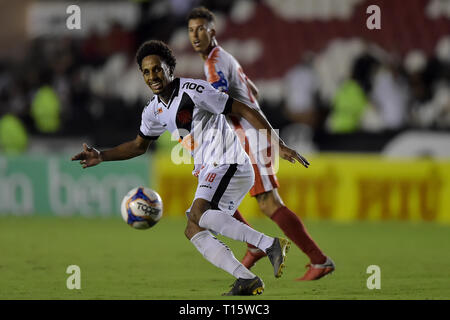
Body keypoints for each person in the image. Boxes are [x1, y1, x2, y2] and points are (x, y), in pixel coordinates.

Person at [72, 40, 309, 295]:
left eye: (158, 69)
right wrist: (101, 155)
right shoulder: (153, 110)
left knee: (197, 215)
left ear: (170, 69)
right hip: (212, 168)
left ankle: (270, 244)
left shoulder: (194, 90)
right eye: (146, 71)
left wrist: (278, 144)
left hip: (229, 162)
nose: (153, 76)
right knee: (193, 227)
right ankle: (246, 278)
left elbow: (243, 108)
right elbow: (139, 146)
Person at [187, 7, 335, 281]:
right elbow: (252, 89)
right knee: (217, 196)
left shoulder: (213, 62)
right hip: (242, 138)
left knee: (267, 202)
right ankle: (256, 246)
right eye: (191, 29)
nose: (195, 35)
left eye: (200, 29)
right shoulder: (225, 58)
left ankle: (319, 260)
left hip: (251, 137)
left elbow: (218, 99)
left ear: (213, 31)